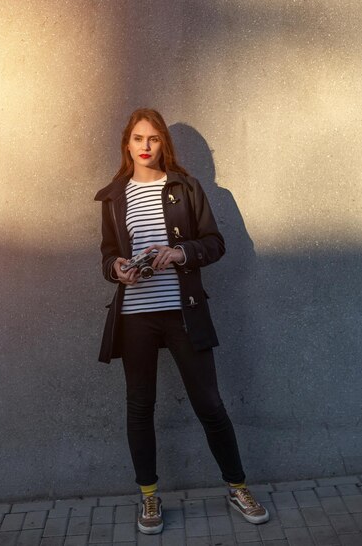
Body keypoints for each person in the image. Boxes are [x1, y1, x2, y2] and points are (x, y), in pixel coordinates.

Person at [94, 108, 269, 534]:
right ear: (127, 144)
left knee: (209, 403)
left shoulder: (186, 188)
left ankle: (238, 485)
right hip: (136, 314)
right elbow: (107, 255)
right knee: (140, 406)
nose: (146, 146)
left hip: (182, 310)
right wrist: (117, 267)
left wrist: (180, 253)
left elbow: (215, 243)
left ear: (163, 145)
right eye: (138, 138)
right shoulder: (115, 197)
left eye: (153, 138)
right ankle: (149, 497)